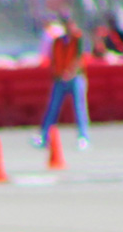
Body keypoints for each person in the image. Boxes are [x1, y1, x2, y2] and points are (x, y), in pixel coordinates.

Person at [33, 14, 91, 151]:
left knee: (79, 108)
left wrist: (70, 73)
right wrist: (57, 74)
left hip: (75, 78)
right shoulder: (58, 41)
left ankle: (83, 137)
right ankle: (44, 136)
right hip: (59, 79)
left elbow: (79, 58)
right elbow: (54, 59)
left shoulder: (79, 39)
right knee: (52, 108)